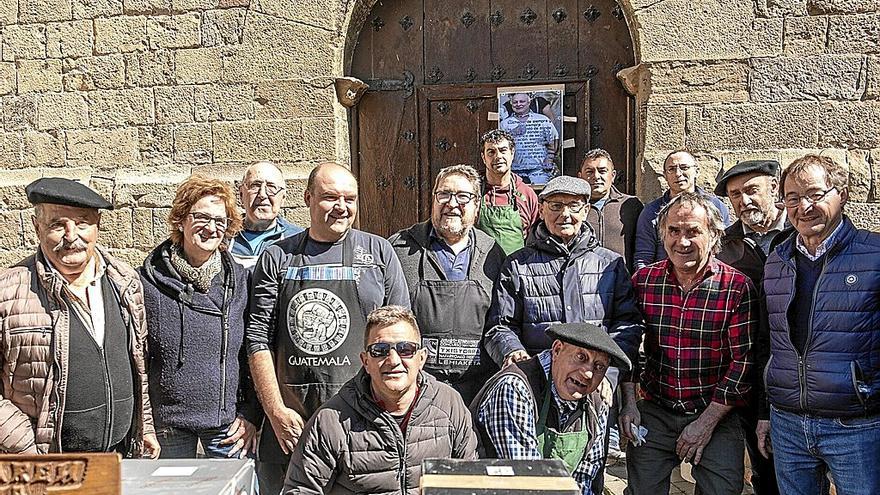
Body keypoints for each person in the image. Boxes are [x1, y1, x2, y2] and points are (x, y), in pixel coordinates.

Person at [247, 162, 411, 495]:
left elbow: (399, 337)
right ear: (308, 198)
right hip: (293, 424)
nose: (342, 207)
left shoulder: (379, 253)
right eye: (330, 197)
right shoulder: (277, 257)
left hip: (362, 423)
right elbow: (257, 339)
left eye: (349, 199)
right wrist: (276, 411)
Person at [0, 178, 159, 456]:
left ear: (97, 226)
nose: (71, 236)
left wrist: (143, 427)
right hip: (47, 463)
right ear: (37, 228)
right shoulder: (8, 292)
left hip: (118, 455)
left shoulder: (125, 282)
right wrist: (25, 448)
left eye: (82, 223)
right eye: (57, 225)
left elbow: (138, 364)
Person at [622, 192, 757, 495]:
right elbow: (628, 346)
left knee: (722, 490)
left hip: (715, 409)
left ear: (714, 234)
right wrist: (629, 403)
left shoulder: (736, 288)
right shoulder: (645, 281)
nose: (682, 242)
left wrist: (706, 423)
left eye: (693, 231)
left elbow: (743, 362)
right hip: (657, 406)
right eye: (673, 231)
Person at [761, 154, 880, 495]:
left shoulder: (873, 254)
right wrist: (765, 413)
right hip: (788, 424)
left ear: (841, 194)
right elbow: (768, 341)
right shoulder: (777, 261)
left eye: (815, 194)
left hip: (857, 426)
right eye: (793, 198)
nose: (804, 207)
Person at [282, 306, 477, 494]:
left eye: (405, 349)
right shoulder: (331, 420)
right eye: (380, 350)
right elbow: (301, 489)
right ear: (366, 361)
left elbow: (471, 482)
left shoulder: (449, 404)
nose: (393, 360)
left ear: (422, 358)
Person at [140, 175, 260, 459]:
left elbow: (254, 348)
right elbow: (137, 357)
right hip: (167, 426)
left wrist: (252, 413)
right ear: (181, 220)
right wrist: (143, 422)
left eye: (220, 221)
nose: (211, 228)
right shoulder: (146, 282)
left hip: (226, 425)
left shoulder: (240, 281)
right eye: (202, 217)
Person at [483, 175, 643, 372]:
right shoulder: (517, 265)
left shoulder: (610, 265)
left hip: (596, 383)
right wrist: (512, 351)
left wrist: (608, 373)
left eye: (574, 205)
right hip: (538, 382)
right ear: (541, 210)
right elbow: (500, 326)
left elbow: (628, 326)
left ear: (585, 211)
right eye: (556, 206)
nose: (565, 214)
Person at [388, 165, 505, 404]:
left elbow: (502, 322)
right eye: (444, 194)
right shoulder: (399, 249)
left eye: (463, 196)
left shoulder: (492, 253)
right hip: (417, 393)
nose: (452, 203)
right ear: (433, 200)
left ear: (477, 207)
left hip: (479, 391)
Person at [472, 322, 632, 494]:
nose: (588, 373)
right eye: (581, 357)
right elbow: (527, 478)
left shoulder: (596, 401)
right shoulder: (515, 388)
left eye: (599, 367)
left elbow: (586, 478)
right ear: (556, 350)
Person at [715, 159, 790, 495]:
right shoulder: (724, 246)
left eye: (751, 190)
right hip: (747, 371)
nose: (743, 200)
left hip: (795, 369)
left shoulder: (800, 235)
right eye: (734, 195)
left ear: (774, 188)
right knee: (764, 468)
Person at [634, 150, 730, 270]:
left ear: (696, 171)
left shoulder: (716, 207)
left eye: (684, 167)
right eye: (671, 169)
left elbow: (724, 252)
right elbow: (643, 257)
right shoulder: (651, 212)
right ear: (665, 175)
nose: (678, 174)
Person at [577, 148, 643, 273]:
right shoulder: (573, 207)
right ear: (580, 176)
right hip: (583, 282)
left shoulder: (631, 206)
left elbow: (641, 248)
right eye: (589, 172)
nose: (596, 176)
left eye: (602, 171)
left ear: (612, 175)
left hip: (622, 282)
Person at [229, 160, 303, 269]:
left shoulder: (298, 240)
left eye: (271, 187)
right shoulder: (223, 235)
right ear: (241, 194)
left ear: (283, 198)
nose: (262, 194)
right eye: (255, 186)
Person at [476, 129, 540, 255]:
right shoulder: (473, 193)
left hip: (517, 270)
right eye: (491, 152)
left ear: (512, 153)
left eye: (503, 150)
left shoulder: (527, 194)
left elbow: (538, 238)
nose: (498, 156)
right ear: (484, 157)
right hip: (479, 271)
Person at [499, 93, 559, 185]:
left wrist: (549, 158)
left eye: (522, 101)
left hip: (539, 171)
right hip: (515, 171)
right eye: (515, 102)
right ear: (511, 104)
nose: (518, 104)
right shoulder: (505, 124)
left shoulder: (543, 120)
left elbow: (553, 140)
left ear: (529, 102)